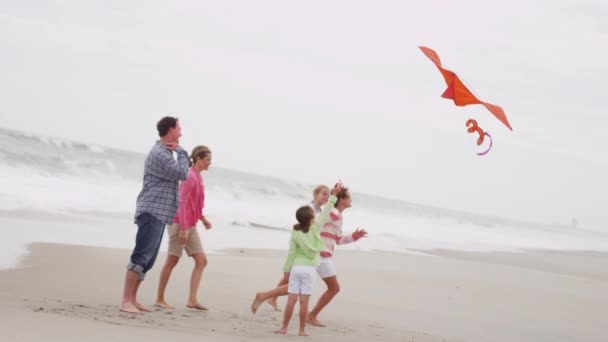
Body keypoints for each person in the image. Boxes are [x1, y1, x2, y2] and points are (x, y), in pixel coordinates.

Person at [120, 116, 189, 314]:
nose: (181, 133)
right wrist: (182, 151)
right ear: (170, 130)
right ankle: (126, 301)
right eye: (179, 129)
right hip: (151, 211)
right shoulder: (161, 154)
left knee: (148, 260)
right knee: (141, 255)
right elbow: (183, 173)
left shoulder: (165, 153)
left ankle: (133, 299)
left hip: (159, 213)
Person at [271, 182, 342, 336]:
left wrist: (286, 271)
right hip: (310, 269)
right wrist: (334, 195)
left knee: (291, 300)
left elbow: (291, 253)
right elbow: (326, 212)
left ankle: (283, 328)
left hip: (296, 268)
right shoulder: (316, 228)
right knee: (304, 301)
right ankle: (302, 330)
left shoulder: (295, 232)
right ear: (312, 219)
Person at [155, 145, 213, 310]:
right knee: (172, 260)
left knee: (201, 261)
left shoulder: (198, 177)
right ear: (199, 159)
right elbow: (182, 203)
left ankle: (192, 300)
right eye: (208, 160)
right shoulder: (189, 176)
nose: (210, 163)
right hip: (179, 222)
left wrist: (202, 218)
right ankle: (159, 298)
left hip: (190, 224)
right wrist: (183, 229)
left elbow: (195, 203)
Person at [306, 186, 367, 327]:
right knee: (334, 288)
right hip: (320, 255)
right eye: (349, 197)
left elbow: (338, 239)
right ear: (341, 200)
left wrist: (354, 237)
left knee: (294, 284)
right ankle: (311, 316)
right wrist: (333, 194)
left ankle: (264, 296)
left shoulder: (338, 216)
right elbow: (318, 219)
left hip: (321, 254)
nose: (351, 199)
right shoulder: (332, 213)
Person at [265, 184, 330, 311]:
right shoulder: (309, 208)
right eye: (323, 193)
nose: (326, 196)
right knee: (291, 276)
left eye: (328, 194)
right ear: (315, 194)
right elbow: (302, 226)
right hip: (301, 244)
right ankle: (270, 297)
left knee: (291, 276)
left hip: (307, 246)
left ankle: (272, 298)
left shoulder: (319, 211)